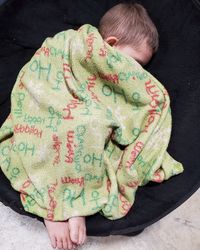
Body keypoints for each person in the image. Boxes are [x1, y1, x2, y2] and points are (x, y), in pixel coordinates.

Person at [32, 2, 159, 250]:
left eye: (141, 68)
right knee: (55, 131)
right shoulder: (70, 44)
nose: (136, 73)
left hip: (89, 124)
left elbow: (117, 109)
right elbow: (41, 80)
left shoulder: (122, 79)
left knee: (97, 133)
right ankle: (53, 205)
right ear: (110, 44)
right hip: (51, 110)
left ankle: (73, 199)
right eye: (133, 62)